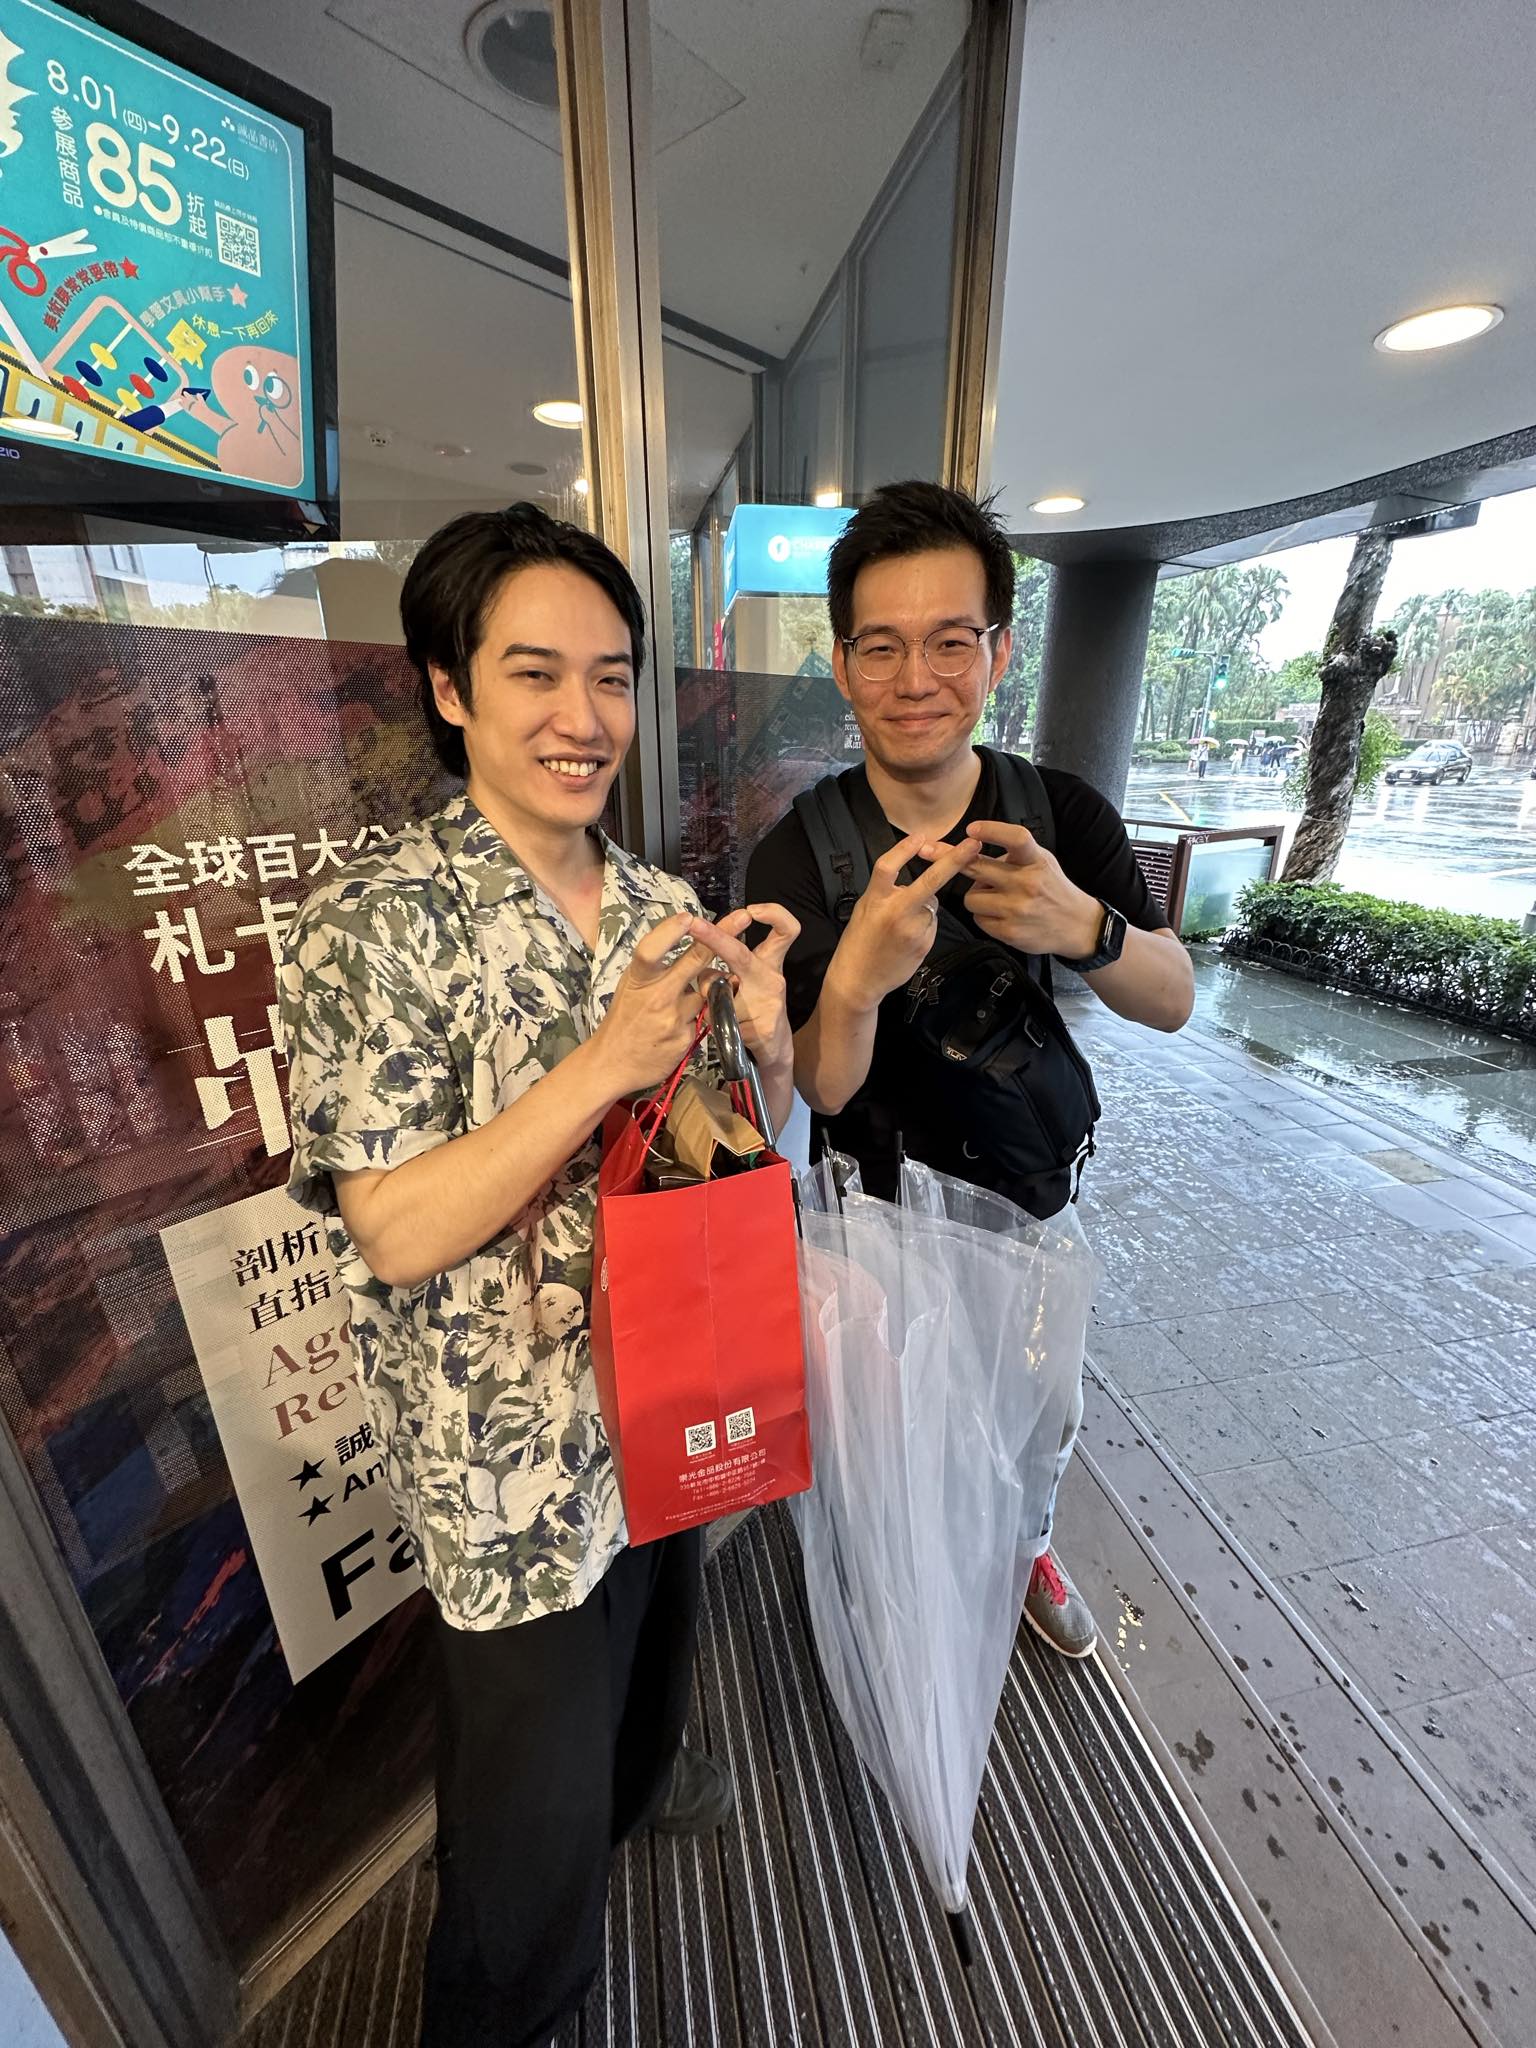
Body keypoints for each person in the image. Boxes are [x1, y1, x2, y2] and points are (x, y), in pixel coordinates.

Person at [277, 505, 798, 2048]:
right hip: (506, 1471)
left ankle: (612, 1841)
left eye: (613, 677)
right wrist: (600, 1064)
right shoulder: (369, 928)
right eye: (534, 673)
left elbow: (717, 1149)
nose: (584, 717)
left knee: (632, 1727)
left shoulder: (660, 911)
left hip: (663, 1411)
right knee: (519, 1847)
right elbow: (393, 1228)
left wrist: (766, 1055)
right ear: (449, 688)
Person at [746, 481, 1194, 1661]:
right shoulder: (796, 852)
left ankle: (1027, 1541)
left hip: (1027, 1190)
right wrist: (854, 981)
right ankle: (890, 1576)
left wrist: (1082, 924)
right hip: (870, 1212)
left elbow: (1174, 997)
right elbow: (819, 1090)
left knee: (1042, 1408)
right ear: (842, 666)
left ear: (999, 652)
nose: (916, 678)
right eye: (881, 646)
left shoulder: (1059, 813)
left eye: (951, 641)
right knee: (886, 1434)